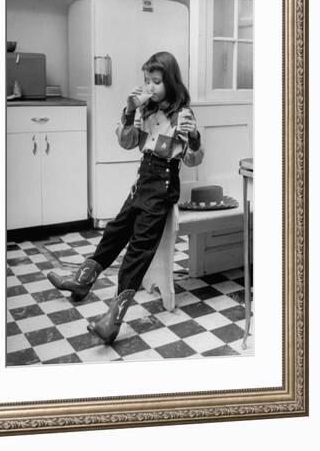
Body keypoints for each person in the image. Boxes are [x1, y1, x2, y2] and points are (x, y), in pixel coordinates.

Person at [47, 51, 204, 344]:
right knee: (115, 232)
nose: (150, 86)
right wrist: (129, 110)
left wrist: (194, 137)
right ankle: (83, 281)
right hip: (142, 182)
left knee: (138, 250)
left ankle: (113, 320)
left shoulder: (183, 114)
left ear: (170, 82)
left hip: (163, 185)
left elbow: (194, 160)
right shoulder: (146, 110)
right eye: (147, 81)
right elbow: (127, 142)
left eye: (156, 81)